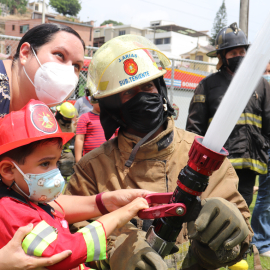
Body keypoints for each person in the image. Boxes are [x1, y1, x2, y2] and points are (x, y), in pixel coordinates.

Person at [65, 34, 252, 270]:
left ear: (161, 89)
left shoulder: (204, 157)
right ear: (113, 107)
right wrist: (118, 251)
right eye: (129, 93)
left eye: (148, 86)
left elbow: (242, 241)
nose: (143, 97)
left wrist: (228, 233)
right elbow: (73, 233)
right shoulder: (92, 169)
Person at [0, 99, 151, 270]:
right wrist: (120, 215)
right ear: (8, 170)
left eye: (56, 163)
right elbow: (62, 253)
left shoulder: (28, 199)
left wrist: (108, 201)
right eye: (45, 164)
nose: (55, 172)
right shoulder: (11, 211)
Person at [0, 22, 85, 269]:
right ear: (25, 53)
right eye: (60, 56)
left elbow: (32, 199)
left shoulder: (32, 112)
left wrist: (106, 202)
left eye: (77, 66)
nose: (69, 73)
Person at [186, 22, 270, 207]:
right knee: (217, 210)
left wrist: (263, 146)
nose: (239, 56)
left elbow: (268, 123)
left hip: (250, 163)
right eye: (233, 53)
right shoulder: (207, 86)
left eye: (242, 52)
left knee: (243, 210)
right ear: (222, 57)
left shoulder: (261, 84)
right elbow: (194, 128)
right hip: (219, 165)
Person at [251, 61, 270, 257]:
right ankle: (261, 241)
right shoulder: (258, 91)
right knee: (265, 196)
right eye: (264, 71)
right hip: (264, 147)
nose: (267, 75)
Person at [55, 102, 77, 177]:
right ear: (60, 115)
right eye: (66, 118)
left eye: (69, 118)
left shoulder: (72, 126)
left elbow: (77, 136)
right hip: (52, 150)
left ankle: (65, 178)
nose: (68, 120)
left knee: (69, 159)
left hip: (65, 151)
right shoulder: (53, 124)